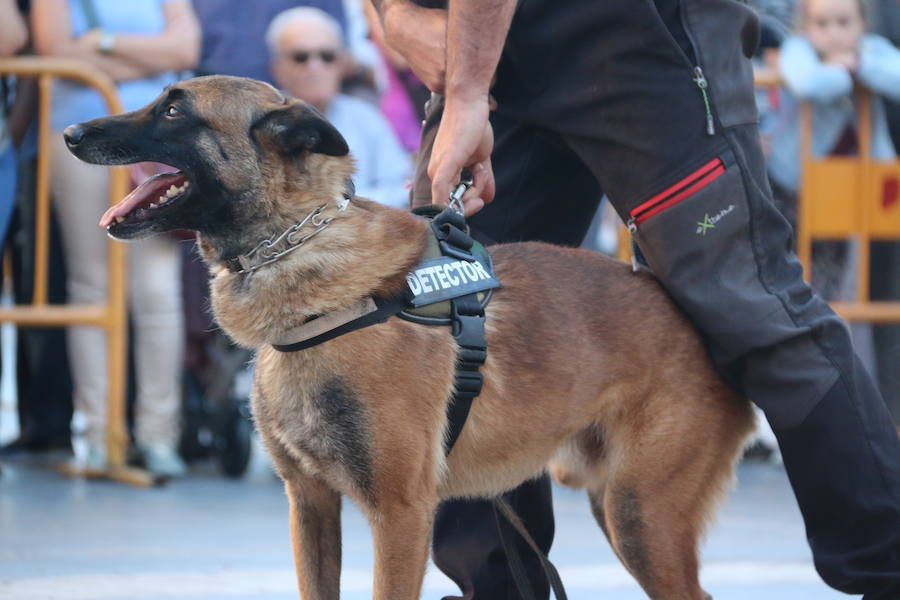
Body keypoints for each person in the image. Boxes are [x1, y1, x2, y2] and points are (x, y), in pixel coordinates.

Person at [371, 1, 900, 599]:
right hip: (484, 43)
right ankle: (497, 590)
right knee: (444, 319)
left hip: (634, 37)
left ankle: (890, 570)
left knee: (756, 308)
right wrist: (393, 15)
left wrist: (466, 94)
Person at [30, 0, 200, 477]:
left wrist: (101, 46)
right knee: (90, 286)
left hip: (154, 145)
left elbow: (187, 47)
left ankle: (158, 435)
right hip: (79, 136)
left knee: (157, 292)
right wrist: (152, 57)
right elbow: (57, 50)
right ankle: (98, 435)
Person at [268, 6, 411, 208]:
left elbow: (401, 188)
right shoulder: (264, 124)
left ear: (341, 64)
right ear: (277, 68)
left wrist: (343, 207)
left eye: (327, 56)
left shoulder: (367, 117)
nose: (314, 66)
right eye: (301, 57)